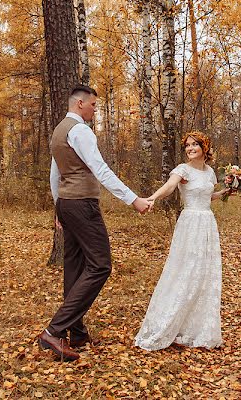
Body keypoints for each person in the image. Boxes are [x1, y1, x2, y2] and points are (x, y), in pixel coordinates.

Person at [37, 84, 154, 362]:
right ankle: (54, 331)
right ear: (79, 104)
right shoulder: (80, 131)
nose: (94, 110)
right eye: (93, 106)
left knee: (74, 268)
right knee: (100, 265)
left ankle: (76, 332)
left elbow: (56, 173)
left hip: (67, 204)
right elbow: (100, 169)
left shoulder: (59, 131)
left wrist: (58, 207)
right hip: (82, 205)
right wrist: (133, 199)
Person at [134, 131, 234, 351]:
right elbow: (170, 187)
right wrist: (152, 198)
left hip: (207, 223)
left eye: (194, 145)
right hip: (189, 224)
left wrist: (225, 192)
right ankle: (169, 322)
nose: (190, 149)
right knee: (185, 270)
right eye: (187, 145)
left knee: (204, 272)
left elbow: (208, 196)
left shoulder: (209, 173)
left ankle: (196, 328)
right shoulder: (182, 170)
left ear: (204, 148)